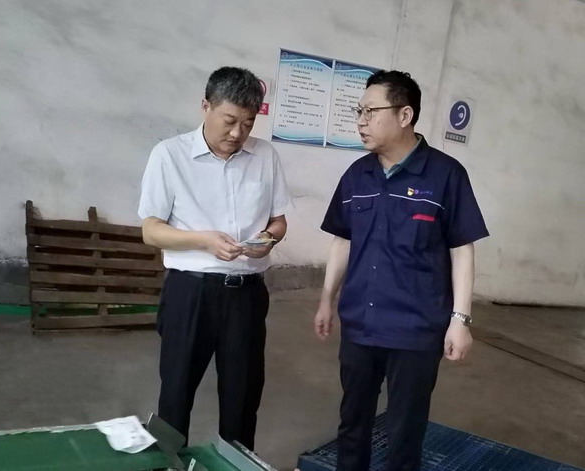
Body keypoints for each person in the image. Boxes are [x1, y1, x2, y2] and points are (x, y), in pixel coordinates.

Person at [314, 70, 489, 471]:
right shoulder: (357, 175)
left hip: (415, 331)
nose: (361, 121)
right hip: (360, 324)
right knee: (352, 424)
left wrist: (460, 320)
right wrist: (326, 299)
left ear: (405, 115)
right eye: (359, 111)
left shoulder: (446, 175)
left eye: (371, 111)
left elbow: (462, 249)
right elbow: (343, 239)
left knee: (404, 434)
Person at [138, 66, 290, 450]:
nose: (237, 133)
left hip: (246, 294)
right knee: (176, 393)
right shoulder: (169, 155)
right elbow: (151, 230)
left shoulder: (265, 156)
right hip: (191, 293)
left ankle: (236, 462)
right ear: (206, 106)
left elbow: (279, 220)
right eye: (229, 120)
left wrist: (269, 238)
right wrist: (203, 241)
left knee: (243, 396)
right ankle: (168, 462)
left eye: (248, 123)